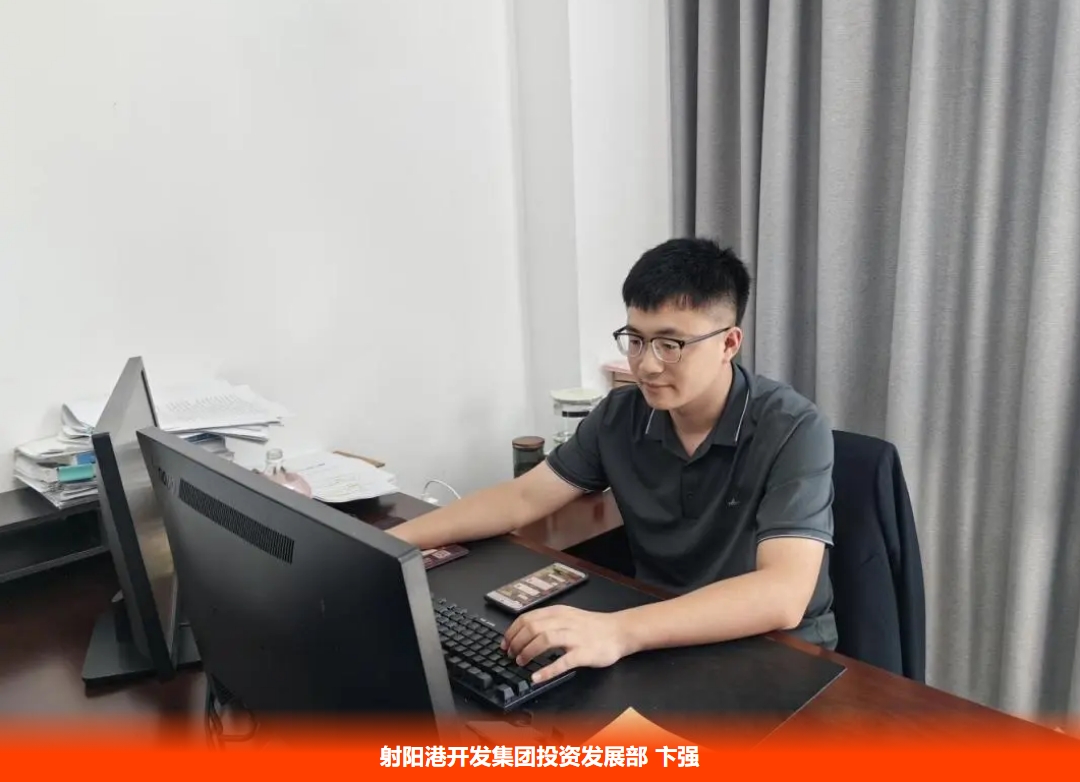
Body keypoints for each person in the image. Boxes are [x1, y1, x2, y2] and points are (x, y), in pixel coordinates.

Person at [389, 237, 836, 687]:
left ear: (729, 343)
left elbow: (783, 595)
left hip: (775, 651)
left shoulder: (792, 428)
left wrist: (619, 631)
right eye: (635, 340)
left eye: (670, 344)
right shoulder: (621, 416)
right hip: (660, 631)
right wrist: (390, 545)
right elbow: (523, 498)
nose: (647, 365)